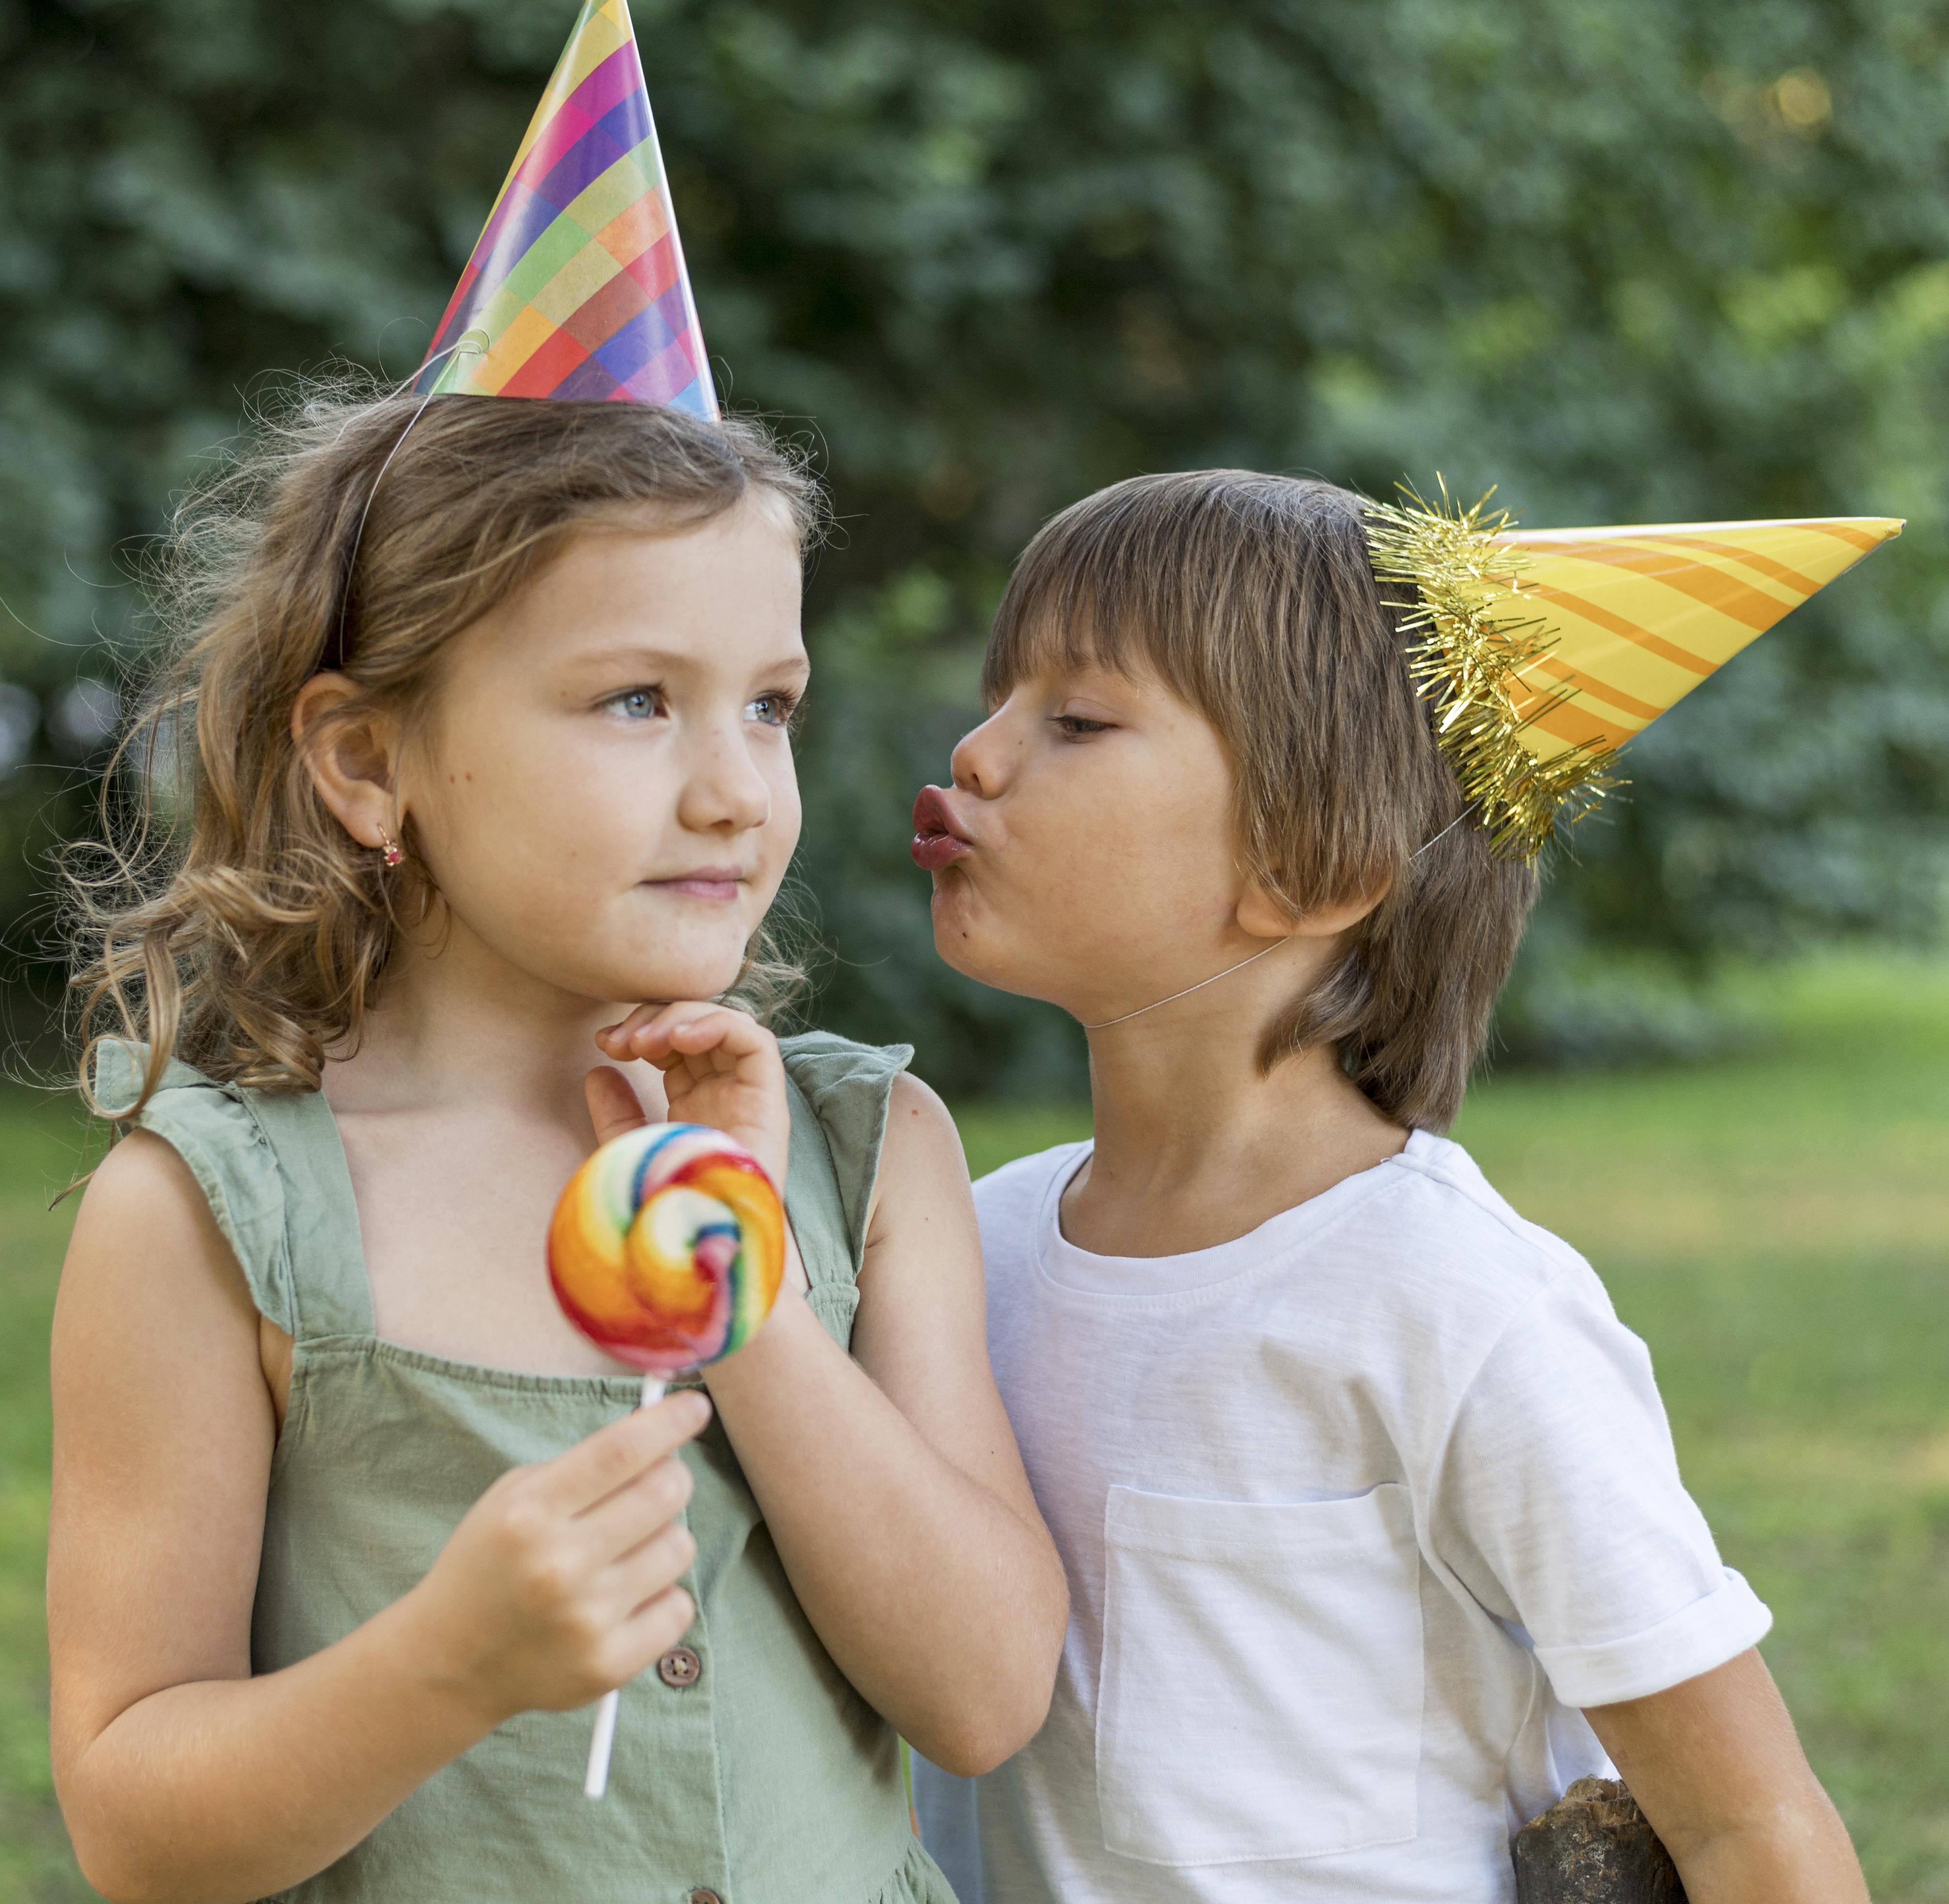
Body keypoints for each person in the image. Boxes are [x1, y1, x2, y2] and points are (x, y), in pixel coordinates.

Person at [47, 386, 1067, 1904]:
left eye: (770, 705)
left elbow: (984, 1696)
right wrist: (449, 1666)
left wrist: (749, 1307)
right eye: (636, 701)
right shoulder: (217, 1210)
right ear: (367, 759)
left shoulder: (865, 1152)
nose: (733, 791)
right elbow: (136, 1825)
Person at [907, 471, 1872, 1904]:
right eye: (1000, 700)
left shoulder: (1459, 1304)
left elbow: (1749, 1828)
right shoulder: (961, 1248)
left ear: (1314, 866)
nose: (976, 755)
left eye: (1079, 720)